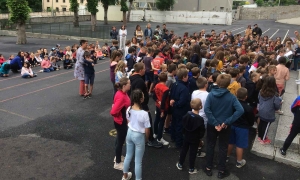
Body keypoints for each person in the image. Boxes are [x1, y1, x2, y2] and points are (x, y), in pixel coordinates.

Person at [204, 74, 244, 179]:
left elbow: (207, 109)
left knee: (210, 145)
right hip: (225, 126)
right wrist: (227, 122)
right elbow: (240, 110)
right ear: (228, 84)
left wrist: (215, 122)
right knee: (223, 147)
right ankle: (221, 170)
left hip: (212, 124)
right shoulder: (231, 97)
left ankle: (208, 167)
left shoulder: (211, 94)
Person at [129, 62, 162, 148]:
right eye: (144, 69)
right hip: (141, 105)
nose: (145, 70)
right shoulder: (139, 81)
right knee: (148, 121)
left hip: (136, 104)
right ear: (140, 70)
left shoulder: (132, 77)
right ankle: (150, 140)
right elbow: (137, 94)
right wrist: (142, 106)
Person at [122, 89, 151, 180]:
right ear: (141, 99)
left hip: (130, 133)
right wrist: (146, 139)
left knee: (128, 155)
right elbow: (147, 130)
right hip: (139, 135)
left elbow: (128, 122)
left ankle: (125, 175)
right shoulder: (144, 114)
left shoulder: (128, 109)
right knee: (138, 161)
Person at [176, 98, 206, 174]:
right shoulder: (200, 119)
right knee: (193, 153)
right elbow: (202, 131)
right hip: (195, 139)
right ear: (200, 106)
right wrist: (199, 138)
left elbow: (183, 126)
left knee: (184, 150)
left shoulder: (187, 114)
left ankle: (180, 164)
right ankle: (191, 168)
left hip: (186, 136)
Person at [227, 88, 254, 168]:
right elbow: (251, 120)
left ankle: (226, 157)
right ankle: (239, 162)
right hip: (242, 128)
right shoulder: (248, 108)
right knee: (240, 145)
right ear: (246, 97)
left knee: (230, 142)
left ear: (236, 94)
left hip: (232, 124)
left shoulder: (232, 104)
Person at [110, 77, 131, 170]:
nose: (130, 85)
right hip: (121, 122)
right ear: (124, 86)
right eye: (129, 84)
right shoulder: (121, 96)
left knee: (119, 140)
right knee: (120, 142)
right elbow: (113, 111)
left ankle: (117, 156)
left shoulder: (121, 93)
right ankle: (118, 163)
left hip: (120, 121)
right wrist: (119, 116)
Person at [170, 68, 191, 148]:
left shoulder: (174, 84)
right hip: (181, 110)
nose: (188, 78)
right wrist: (176, 104)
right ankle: (179, 143)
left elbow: (171, 95)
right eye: (187, 76)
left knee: (174, 123)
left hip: (174, 109)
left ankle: (173, 137)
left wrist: (173, 103)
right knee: (179, 126)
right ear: (183, 77)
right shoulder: (184, 89)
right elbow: (182, 102)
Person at [257, 76, 282, 144]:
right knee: (266, 126)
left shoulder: (261, 91)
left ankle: (259, 136)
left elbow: (259, 99)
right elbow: (277, 106)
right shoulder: (275, 95)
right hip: (269, 113)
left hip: (261, 110)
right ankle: (263, 139)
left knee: (261, 124)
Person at [191, 77, 209, 157]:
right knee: (200, 134)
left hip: (193, 114)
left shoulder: (194, 92)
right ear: (206, 85)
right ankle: (197, 149)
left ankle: (197, 144)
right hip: (203, 117)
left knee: (194, 132)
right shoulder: (208, 95)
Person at [153, 72, 170, 145]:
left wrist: (157, 101)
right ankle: (159, 138)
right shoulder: (166, 89)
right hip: (164, 107)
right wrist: (162, 110)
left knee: (157, 119)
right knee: (162, 122)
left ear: (159, 78)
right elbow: (163, 100)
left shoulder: (157, 85)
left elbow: (154, 96)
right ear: (166, 79)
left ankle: (155, 133)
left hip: (157, 105)